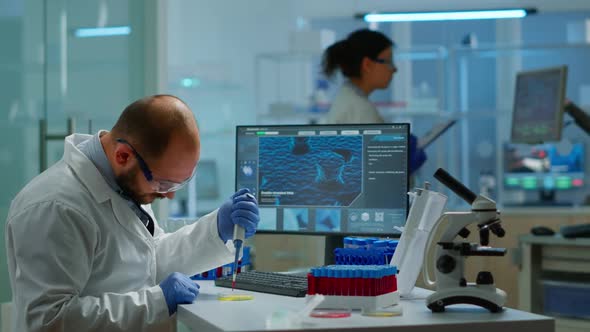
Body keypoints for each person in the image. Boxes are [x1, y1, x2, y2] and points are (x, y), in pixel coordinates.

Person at [5, 95, 260, 331]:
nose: (169, 195)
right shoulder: (55, 207)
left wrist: (215, 228)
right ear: (123, 155)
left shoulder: (123, 182)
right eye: (164, 184)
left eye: (179, 184)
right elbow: (47, 321)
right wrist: (157, 302)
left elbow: (148, 260)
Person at [322, 28, 427, 175]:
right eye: (388, 61)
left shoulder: (350, 98)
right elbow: (376, 174)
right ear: (367, 65)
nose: (394, 69)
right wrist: (400, 164)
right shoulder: (359, 109)